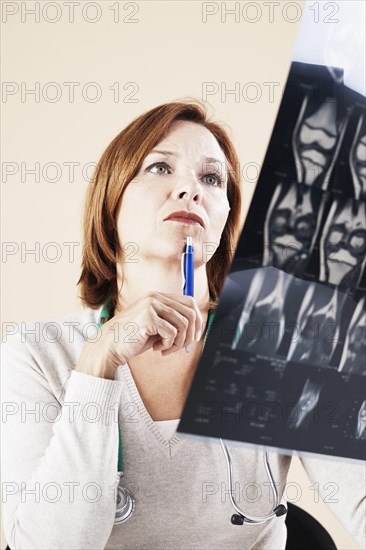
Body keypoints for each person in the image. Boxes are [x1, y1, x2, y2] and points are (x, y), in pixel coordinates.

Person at [1, 100, 365, 550]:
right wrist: (97, 363)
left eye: (211, 178)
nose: (191, 190)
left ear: (225, 218)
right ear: (111, 200)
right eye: (159, 168)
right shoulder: (38, 353)